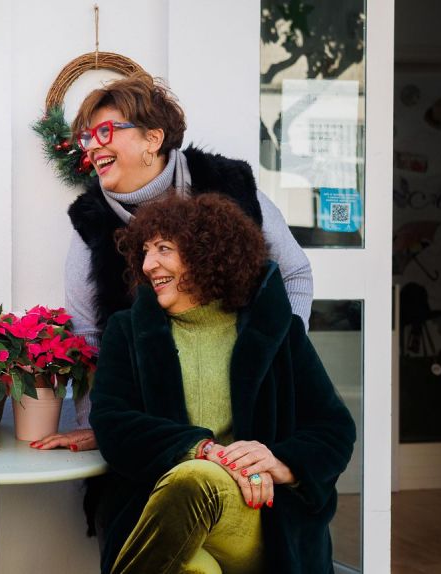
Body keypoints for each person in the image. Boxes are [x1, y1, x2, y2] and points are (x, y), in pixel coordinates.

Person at [31, 72, 312, 453]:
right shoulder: (91, 223)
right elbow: (88, 337)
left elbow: (294, 272)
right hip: (154, 430)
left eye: (106, 132)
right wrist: (102, 425)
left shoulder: (227, 183)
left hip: (251, 413)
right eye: (87, 137)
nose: (93, 147)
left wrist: (282, 359)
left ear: (153, 138)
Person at [89, 192, 355, 573]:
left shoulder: (277, 333)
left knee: (196, 481)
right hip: (161, 512)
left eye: (164, 248)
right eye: (144, 251)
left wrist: (280, 462)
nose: (149, 264)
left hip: (258, 516)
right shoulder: (128, 332)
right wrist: (202, 449)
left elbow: (335, 430)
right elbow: (113, 423)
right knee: (194, 567)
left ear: (206, 253)